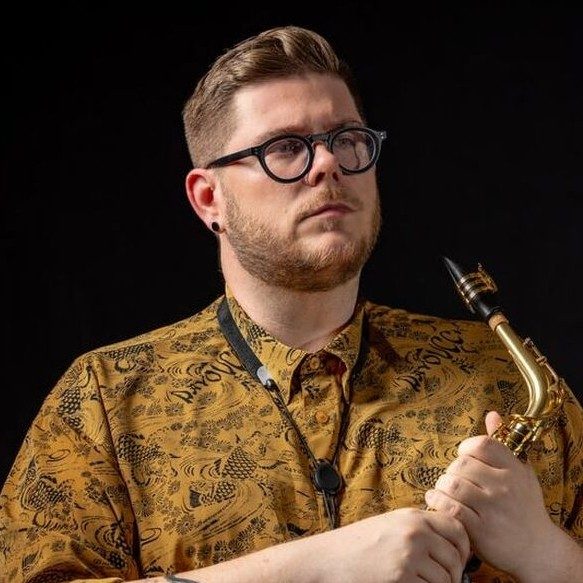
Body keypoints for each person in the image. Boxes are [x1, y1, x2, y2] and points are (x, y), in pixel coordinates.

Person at [1, 25, 582, 583]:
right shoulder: (102, 397)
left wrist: (548, 556)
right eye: (286, 148)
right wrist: (314, 569)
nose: (328, 164)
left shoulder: (504, 376)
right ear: (210, 199)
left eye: (347, 140)